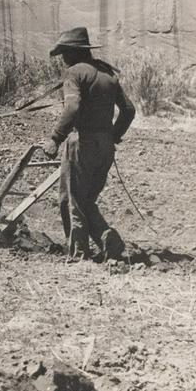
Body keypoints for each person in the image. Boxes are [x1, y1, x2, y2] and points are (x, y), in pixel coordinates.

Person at [41, 26, 135, 262]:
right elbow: (129, 110)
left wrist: (55, 138)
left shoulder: (74, 73)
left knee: (71, 199)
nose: (62, 58)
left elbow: (72, 108)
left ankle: (78, 256)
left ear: (73, 52)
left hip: (82, 143)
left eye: (64, 53)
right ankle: (108, 240)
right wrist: (112, 136)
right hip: (105, 146)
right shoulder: (107, 73)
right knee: (85, 200)